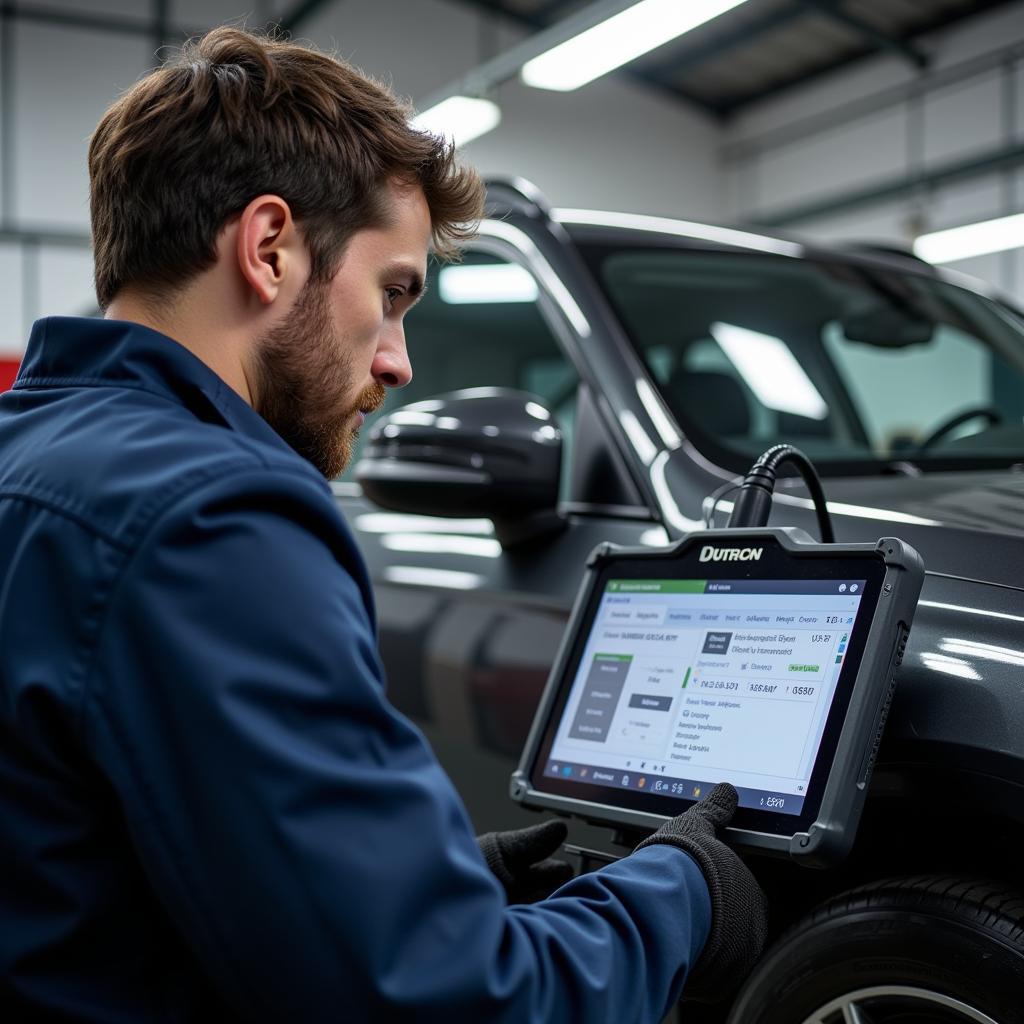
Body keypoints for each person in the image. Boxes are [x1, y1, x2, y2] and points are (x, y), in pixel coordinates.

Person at [0, 27, 766, 1022]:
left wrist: (435, 884)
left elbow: (78, 872)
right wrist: (682, 896)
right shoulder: (215, 516)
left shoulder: (30, 452)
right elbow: (447, 1004)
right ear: (269, 246)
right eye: (393, 293)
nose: (400, 361)